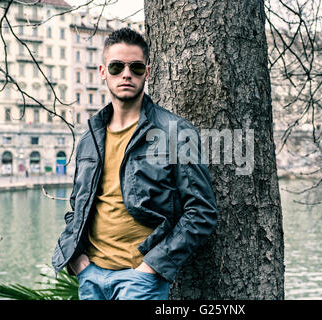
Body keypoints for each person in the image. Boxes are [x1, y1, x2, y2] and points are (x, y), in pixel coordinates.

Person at [51, 28, 218, 300]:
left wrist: (152, 267)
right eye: (117, 67)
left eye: (136, 67)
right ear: (103, 71)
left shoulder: (175, 132)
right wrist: (77, 260)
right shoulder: (89, 138)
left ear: (147, 73)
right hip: (91, 276)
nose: (126, 74)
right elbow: (77, 208)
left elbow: (201, 211)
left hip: (139, 280)